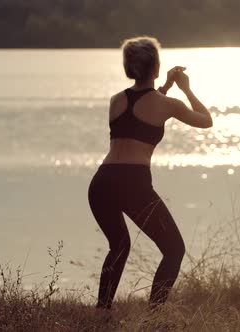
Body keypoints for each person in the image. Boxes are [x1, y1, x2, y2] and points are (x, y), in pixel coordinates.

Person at [88, 36, 212, 310]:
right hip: (133, 182)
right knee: (174, 250)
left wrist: (165, 87)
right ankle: (153, 318)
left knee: (118, 246)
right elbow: (206, 121)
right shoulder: (168, 105)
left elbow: (144, 110)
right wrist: (186, 90)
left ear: (129, 67)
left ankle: (102, 315)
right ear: (155, 67)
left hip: (101, 182)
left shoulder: (115, 100)